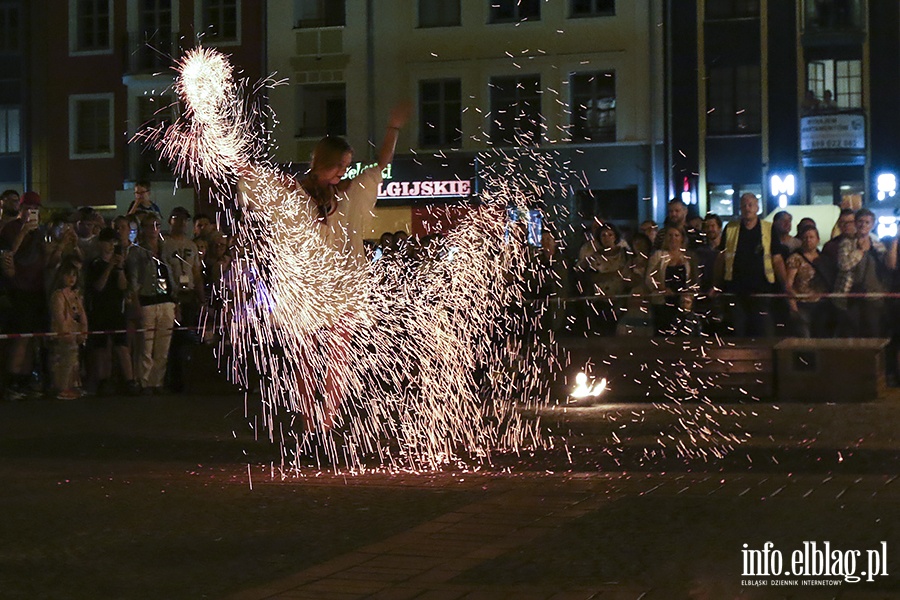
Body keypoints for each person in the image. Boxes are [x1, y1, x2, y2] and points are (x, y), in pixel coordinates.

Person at [239, 102, 411, 430]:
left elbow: (381, 164)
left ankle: (326, 421)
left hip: (340, 292)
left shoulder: (345, 194)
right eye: (340, 166)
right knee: (306, 358)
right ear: (325, 162)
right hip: (307, 293)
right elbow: (252, 179)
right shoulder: (293, 193)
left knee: (335, 356)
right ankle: (309, 419)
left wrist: (394, 129)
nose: (343, 172)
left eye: (346, 166)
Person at [0, 192, 49, 400]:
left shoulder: (39, 232)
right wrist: (23, 231)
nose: (32, 212)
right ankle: (11, 381)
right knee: (19, 338)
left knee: (31, 339)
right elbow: (8, 254)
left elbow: (43, 260)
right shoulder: (11, 228)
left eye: (36, 209)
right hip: (18, 288)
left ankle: (25, 379)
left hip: (37, 288)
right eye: (29, 208)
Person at [126, 215, 177, 394]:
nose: (153, 230)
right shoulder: (137, 251)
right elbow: (133, 279)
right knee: (146, 346)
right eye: (149, 226)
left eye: (156, 226)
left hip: (165, 299)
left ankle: (157, 381)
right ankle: (145, 381)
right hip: (147, 299)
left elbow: (171, 274)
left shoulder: (165, 249)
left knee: (163, 346)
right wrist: (136, 302)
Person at [716, 193, 777, 337]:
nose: (747, 208)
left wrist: (785, 284)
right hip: (736, 288)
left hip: (761, 287)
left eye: (750, 205)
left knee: (762, 328)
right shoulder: (731, 228)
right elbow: (721, 258)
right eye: (744, 205)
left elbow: (777, 258)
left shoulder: (768, 228)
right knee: (739, 329)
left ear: (757, 207)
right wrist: (716, 283)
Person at [85, 227, 135, 395]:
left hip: (116, 309)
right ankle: (103, 380)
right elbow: (98, 286)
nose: (111, 246)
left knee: (121, 345)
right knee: (101, 348)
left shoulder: (121, 264)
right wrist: (110, 266)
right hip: (99, 309)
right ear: (101, 243)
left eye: (114, 242)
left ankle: (130, 381)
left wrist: (119, 268)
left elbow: (123, 286)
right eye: (109, 242)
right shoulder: (95, 264)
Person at [834, 208, 896, 337]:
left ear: (872, 225)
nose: (863, 225)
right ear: (856, 223)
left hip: (874, 296)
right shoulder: (846, 243)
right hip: (852, 296)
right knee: (853, 335)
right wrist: (860, 252)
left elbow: (888, 266)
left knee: (874, 334)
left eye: (867, 222)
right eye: (861, 221)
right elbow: (843, 265)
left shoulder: (878, 245)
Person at [163, 206, 206, 392]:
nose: (181, 223)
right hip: (173, 294)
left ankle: (187, 378)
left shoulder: (191, 245)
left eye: (184, 220)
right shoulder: (165, 243)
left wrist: (201, 297)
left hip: (188, 293)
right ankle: (171, 379)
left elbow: (196, 273)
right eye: (177, 219)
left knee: (187, 337)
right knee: (171, 339)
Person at [646, 226, 698, 336]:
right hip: (662, 302)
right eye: (670, 235)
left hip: (682, 302)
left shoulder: (688, 257)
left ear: (682, 238)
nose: (673, 238)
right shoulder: (658, 255)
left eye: (676, 235)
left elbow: (694, 278)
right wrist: (662, 289)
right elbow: (649, 277)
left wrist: (689, 292)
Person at [49, 259, 88, 399]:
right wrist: (65, 331)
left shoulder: (76, 295)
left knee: (73, 361)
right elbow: (59, 317)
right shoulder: (58, 295)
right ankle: (62, 388)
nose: (71, 278)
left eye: (74, 275)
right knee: (64, 361)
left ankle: (72, 386)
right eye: (68, 275)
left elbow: (82, 315)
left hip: (75, 334)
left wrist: (83, 331)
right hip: (64, 334)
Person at [784, 224, 828, 337]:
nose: (808, 240)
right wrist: (793, 305)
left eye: (811, 237)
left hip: (820, 304)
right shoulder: (795, 259)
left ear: (817, 240)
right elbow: (789, 283)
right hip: (802, 304)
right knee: (804, 337)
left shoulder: (823, 258)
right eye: (805, 237)